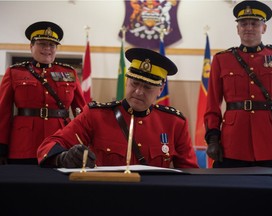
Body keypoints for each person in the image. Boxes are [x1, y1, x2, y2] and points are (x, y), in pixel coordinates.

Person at [37, 47, 199, 169]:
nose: (138, 92)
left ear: (160, 89)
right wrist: (63, 158)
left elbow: (189, 172)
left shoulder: (174, 123)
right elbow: (48, 145)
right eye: (134, 83)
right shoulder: (96, 115)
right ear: (127, 81)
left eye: (148, 87)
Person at [204, 0, 272, 169]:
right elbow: (212, 104)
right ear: (237, 29)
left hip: (270, 142)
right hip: (233, 143)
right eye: (243, 23)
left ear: (264, 28)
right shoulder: (222, 60)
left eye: (254, 23)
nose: (248, 27)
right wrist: (213, 138)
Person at [0, 21, 86, 165]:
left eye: (52, 45)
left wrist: (87, 141)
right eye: (41, 44)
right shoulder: (15, 72)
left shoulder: (69, 73)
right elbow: (3, 112)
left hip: (61, 142)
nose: (47, 48)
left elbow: (83, 112)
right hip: (24, 144)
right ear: (31, 46)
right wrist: (1, 145)